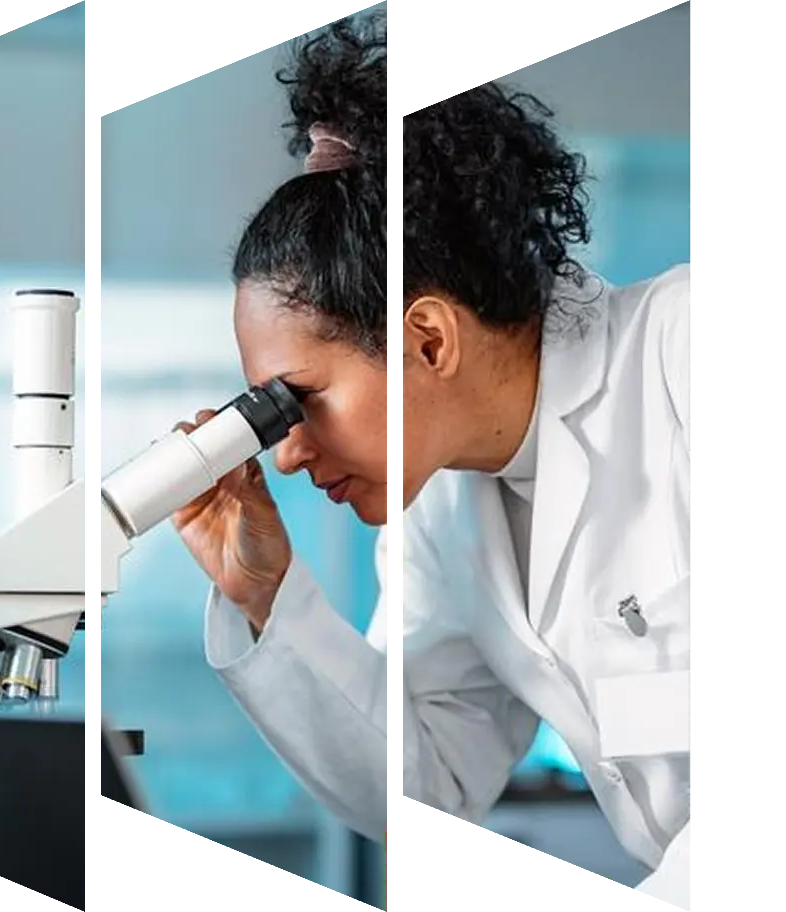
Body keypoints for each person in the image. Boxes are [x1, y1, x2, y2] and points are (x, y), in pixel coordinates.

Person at [170, 11, 692, 885]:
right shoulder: (452, 500)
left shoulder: (706, 356)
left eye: (300, 398)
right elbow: (429, 784)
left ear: (430, 341)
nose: (287, 455)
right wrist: (265, 598)